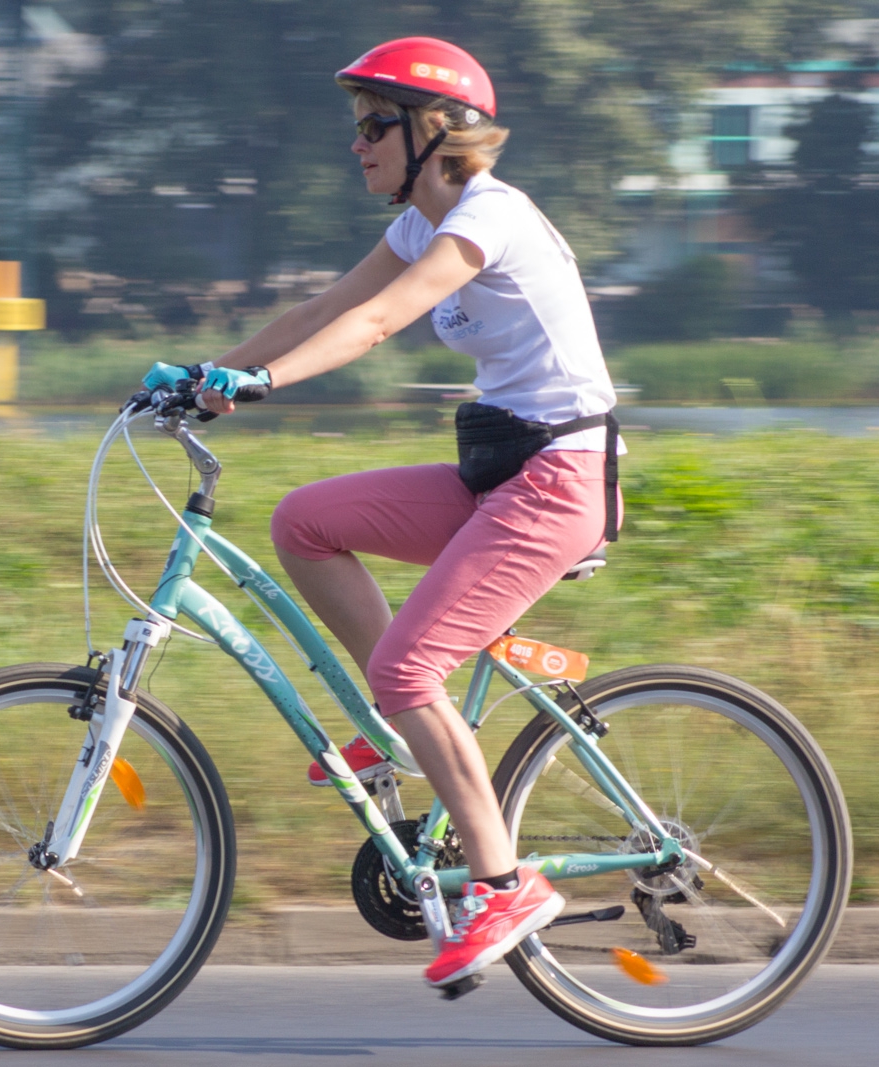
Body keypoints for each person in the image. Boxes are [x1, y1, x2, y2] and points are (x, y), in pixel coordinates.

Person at [140, 36, 623, 993]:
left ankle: (504, 882)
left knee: (411, 662)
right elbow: (324, 306)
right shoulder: (418, 224)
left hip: (560, 481)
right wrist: (205, 375)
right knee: (305, 522)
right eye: (356, 128)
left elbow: (377, 323)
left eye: (372, 127)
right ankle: (403, 731)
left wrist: (266, 382)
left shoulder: (491, 215)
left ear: (434, 131)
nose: (356, 145)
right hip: (499, 474)